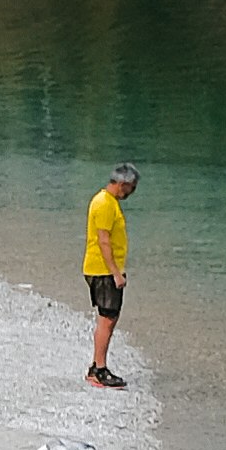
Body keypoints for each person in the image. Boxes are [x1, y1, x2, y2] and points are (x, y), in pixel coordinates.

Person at [83, 161, 139, 387]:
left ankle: (96, 367)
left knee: (107, 318)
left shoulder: (105, 201)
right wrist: (116, 273)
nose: (132, 192)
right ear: (123, 184)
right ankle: (99, 370)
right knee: (107, 318)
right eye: (132, 188)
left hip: (101, 269)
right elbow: (103, 240)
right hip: (103, 271)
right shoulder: (105, 204)